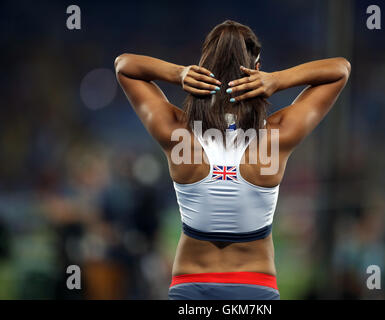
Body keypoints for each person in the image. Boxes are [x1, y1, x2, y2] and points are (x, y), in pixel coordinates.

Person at [114, 20, 350, 300]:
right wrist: (277, 80)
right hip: (255, 288)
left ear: (202, 70)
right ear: (257, 70)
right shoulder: (275, 137)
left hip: (191, 287)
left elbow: (124, 66)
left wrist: (179, 73)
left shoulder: (179, 133)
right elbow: (340, 70)